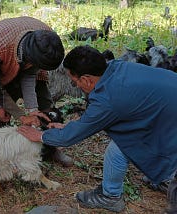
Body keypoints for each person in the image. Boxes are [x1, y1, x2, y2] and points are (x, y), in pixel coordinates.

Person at [17, 45, 177, 213]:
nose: (76, 85)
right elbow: (99, 118)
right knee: (123, 144)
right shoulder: (116, 67)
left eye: (75, 81)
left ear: (86, 79)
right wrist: (70, 126)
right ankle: (122, 191)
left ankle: (119, 193)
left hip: (168, 120)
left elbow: (68, 138)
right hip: (165, 109)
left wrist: (40, 135)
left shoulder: (108, 99)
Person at [0, 16, 72, 167]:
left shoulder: (48, 40)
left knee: (46, 109)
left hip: (27, 63)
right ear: (29, 59)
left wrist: (32, 110)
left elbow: (29, 76)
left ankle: (50, 148)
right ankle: (0, 161)